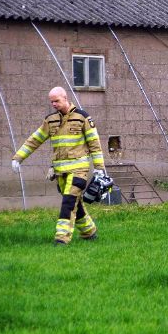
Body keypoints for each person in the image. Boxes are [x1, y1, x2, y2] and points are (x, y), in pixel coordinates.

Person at [11, 87, 105, 244]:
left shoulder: (82, 117)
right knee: (75, 203)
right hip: (60, 172)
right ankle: (89, 232)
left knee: (68, 203)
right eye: (51, 101)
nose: (53, 104)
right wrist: (18, 158)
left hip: (79, 171)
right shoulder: (50, 120)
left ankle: (61, 239)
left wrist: (99, 168)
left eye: (56, 101)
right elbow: (35, 139)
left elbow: (94, 143)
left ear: (65, 98)